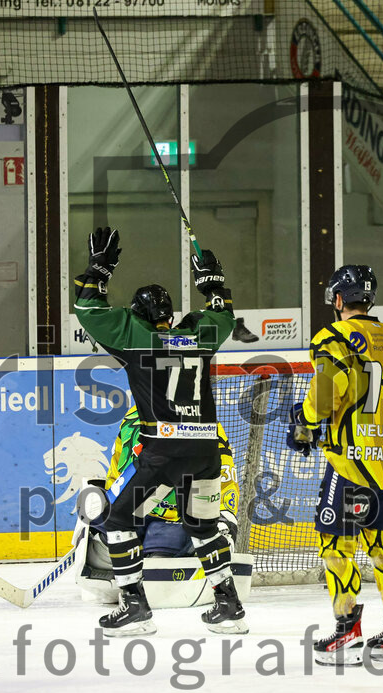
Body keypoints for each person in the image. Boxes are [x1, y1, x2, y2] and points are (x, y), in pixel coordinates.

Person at [74, 225, 247, 635]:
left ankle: (135, 607)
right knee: (202, 525)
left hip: (164, 455)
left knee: (117, 521)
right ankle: (229, 606)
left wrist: (101, 266)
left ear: (137, 314)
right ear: (171, 316)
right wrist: (214, 285)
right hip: (206, 454)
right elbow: (222, 314)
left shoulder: (135, 333)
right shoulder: (199, 335)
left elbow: (89, 309)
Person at [288, 265, 383, 666]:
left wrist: (306, 423)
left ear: (336, 300)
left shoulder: (335, 337)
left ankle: (346, 628)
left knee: (336, 546)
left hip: (352, 464)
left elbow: (330, 389)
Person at [72, 405, 241, 604]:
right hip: (134, 512)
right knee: (94, 512)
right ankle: (112, 552)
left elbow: (223, 478)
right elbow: (118, 465)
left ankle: (147, 568)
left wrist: (224, 517)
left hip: (174, 518)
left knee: (156, 566)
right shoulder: (132, 417)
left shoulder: (201, 424)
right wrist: (109, 504)